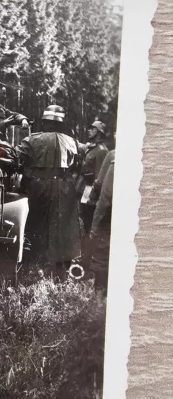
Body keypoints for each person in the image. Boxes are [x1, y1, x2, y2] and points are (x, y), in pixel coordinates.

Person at [15, 105, 81, 277]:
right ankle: (62, 268)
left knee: (36, 224)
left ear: (44, 122)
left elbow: (18, 159)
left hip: (39, 186)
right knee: (64, 226)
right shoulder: (71, 141)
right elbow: (76, 165)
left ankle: (34, 265)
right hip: (65, 187)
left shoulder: (32, 140)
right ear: (61, 123)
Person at [89, 149, 115, 291]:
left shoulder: (113, 155)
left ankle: (100, 298)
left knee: (101, 254)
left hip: (110, 217)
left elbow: (104, 196)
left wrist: (95, 227)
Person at [76, 121, 109, 234]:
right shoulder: (91, 147)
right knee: (81, 216)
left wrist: (93, 196)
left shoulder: (102, 151)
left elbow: (100, 175)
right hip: (83, 187)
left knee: (86, 219)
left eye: (92, 128)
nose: (89, 131)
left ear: (99, 132)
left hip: (90, 191)